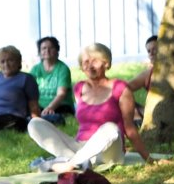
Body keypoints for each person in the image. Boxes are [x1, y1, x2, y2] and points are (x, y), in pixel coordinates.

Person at [27, 42, 154, 171]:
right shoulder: (79, 88)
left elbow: (130, 128)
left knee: (110, 128)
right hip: (80, 147)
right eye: (85, 62)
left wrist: (149, 159)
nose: (90, 66)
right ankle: (75, 161)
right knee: (35, 123)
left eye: (95, 61)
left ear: (106, 63)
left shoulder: (120, 88)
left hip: (109, 151)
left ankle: (70, 164)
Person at [32, 36, 75, 123]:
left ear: (57, 50)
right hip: (40, 105)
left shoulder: (63, 69)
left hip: (60, 105)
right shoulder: (35, 69)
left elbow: (61, 94)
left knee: (55, 117)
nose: (47, 51)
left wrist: (50, 107)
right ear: (39, 51)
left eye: (51, 48)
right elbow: (29, 91)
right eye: (43, 48)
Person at [128, 35, 161, 104]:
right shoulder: (148, 74)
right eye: (148, 51)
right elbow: (123, 88)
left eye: (154, 49)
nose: (151, 54)